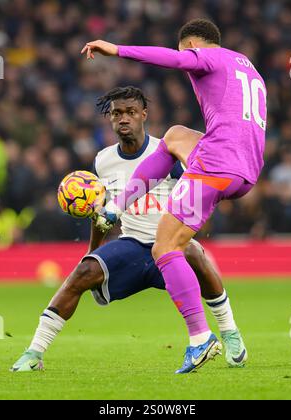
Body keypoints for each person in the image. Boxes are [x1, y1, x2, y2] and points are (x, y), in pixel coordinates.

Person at [11, 86, 246, 372]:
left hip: (171, 245)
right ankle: (34, 353)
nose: (124, 118)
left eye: (131, 112)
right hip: (132, 246)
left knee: (196, 254)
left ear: (143, 115)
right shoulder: (103, 160)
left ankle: (231, 333)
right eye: (117, 113)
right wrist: (91, 253)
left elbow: (197, 197)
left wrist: (185, 231)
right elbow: (103, 211)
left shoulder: (168, 151)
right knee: (82, 273)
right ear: (110, 119)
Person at [81, 17, 266, 373]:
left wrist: (116, 49)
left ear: (193, 46)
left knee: (164, 247)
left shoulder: (205, 56)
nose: (189, 67)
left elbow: (175, 59)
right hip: (246, 168)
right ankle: (118, 207)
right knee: (175, 136)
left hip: (216, 166)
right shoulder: (247, 67)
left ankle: (200, 338)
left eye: (188, 55)